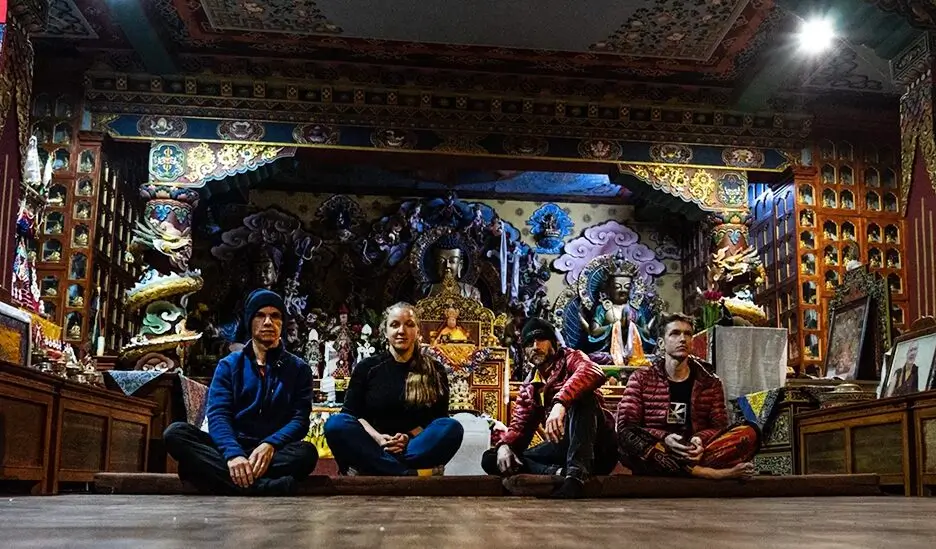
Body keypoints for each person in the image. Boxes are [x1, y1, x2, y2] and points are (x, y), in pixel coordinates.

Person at [164, 289, 317, 495]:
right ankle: (263, 487)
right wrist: (233, 454)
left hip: (272, 453)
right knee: (176, 434)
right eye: (260, 315)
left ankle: (223, 478)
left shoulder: (299, 369)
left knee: (306, 454)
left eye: (275, 316)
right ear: (249, 321)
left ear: (282, 323)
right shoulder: (229, 365)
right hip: (231, 447)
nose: (268, 322)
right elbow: (218, 415)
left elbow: (299, 420)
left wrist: (270, 444)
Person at [481, 318, 618, 499]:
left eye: (541, 340)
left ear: (553, 343)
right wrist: (505, 446)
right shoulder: (531, 386)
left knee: (584, 399)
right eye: (529, 343)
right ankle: (560, 474)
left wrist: (561, 402)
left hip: (595, 446)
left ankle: (576, 478)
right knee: (493, 458)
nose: (535, 346)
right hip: (563, 449)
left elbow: (594, 371)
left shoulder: (571, 357)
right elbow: (519, 428)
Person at [324, 302, 464, 475]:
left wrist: (407, 437)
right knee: (336, 424)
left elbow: (436, 419)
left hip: (412, 447)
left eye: (409, 324)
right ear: (385, 332)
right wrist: (379, 438)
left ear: (418, 331)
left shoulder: (434, 370)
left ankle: (379, 468)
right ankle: (407, 473)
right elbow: (353, 415)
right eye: (395, 325)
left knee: (451, 427)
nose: (401, 331)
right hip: (372, 443)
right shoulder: (367, 367)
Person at [616, 312, 759, 480]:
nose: (682, 339)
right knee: (628, 439)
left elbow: (719, 427)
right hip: (658, 449)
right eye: (675, 333)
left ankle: (685, 468)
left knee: (749, 431)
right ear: (661, 343)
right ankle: (710, 473)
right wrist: (665, 437)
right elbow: (626, 427)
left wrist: (699, 440)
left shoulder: (709, 381)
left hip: (695, 451)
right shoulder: (641, 378)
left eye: (687, 334)